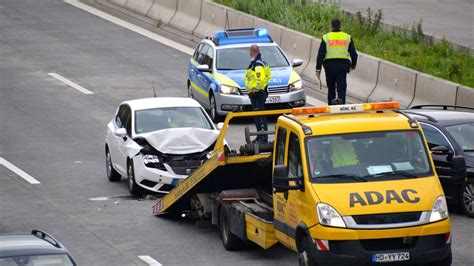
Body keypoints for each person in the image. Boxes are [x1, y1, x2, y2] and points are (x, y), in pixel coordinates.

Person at [315, 19, 358, 105]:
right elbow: (354, 54)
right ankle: (341, 104)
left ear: (331, 26)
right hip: (342, 66)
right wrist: (353, 65)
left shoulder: (326, 37)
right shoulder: (347, 37)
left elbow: (320, 55)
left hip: (330, 67)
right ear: (340, 26)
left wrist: (318, 69)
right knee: (341, 87)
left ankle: (331, 105)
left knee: (331, 87)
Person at [245, 44, 271, 144]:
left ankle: (263, 138)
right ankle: (260, 136)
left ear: (251, 52)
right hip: (258, 93)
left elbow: (260, 79)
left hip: (257, 94)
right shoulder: (260, 62)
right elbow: (268, 76)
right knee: (258, 116)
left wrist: (256, 90)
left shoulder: (257, 64)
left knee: (260, 116)